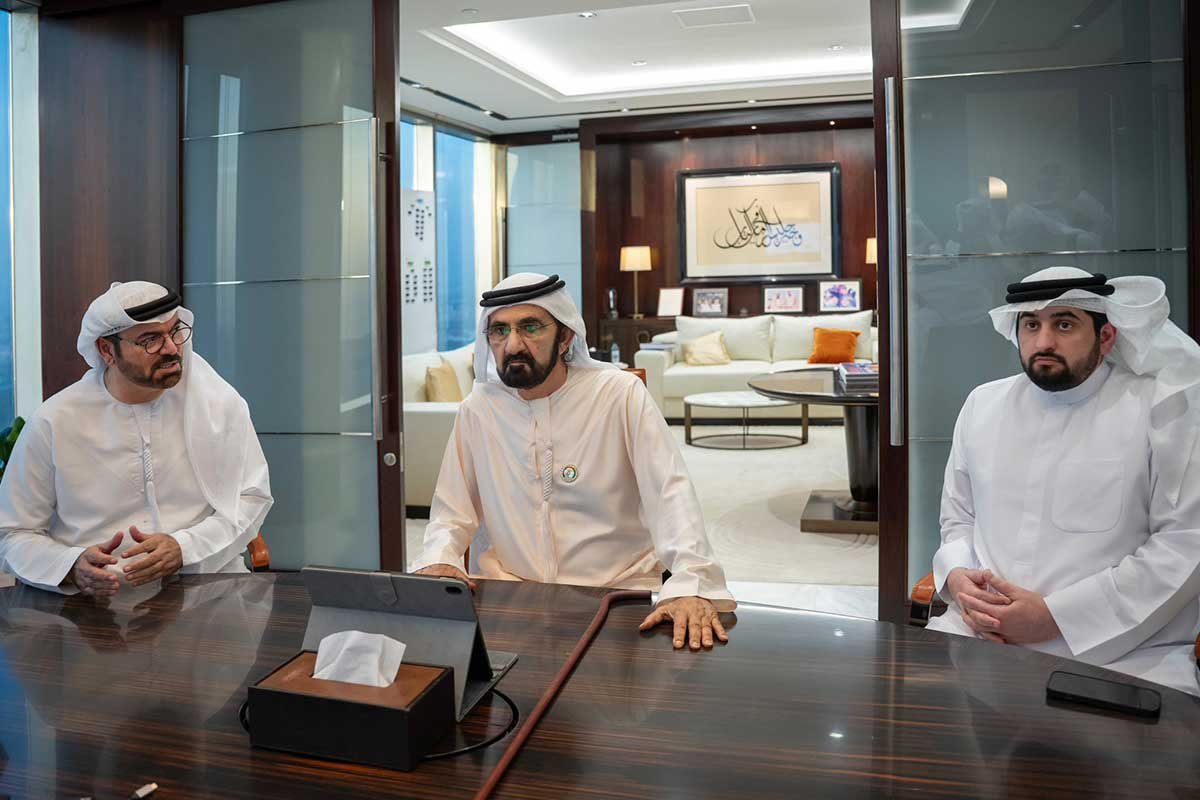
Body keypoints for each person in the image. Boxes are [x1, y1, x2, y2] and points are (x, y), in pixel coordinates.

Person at [412, 273, 736, 650]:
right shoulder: (479, 410)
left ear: (565, 336)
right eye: (499, 331)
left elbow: (670, 493)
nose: (512, 344)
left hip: (617, 594)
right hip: (511, 595)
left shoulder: (618, 395)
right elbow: (452, 511)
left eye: (530, 327)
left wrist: (690, 581)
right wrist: (440, 557)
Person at [928, 266, 1200, 694]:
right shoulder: (982, 405)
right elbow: (958, 518)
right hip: (979, 636)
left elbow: (1184, 543)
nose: (1044, 342)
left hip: (1123, 657)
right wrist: (958, 577)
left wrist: (1054, 618)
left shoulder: (1161, 409)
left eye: (1065, 324)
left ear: (1106, 336)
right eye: (1031, 325)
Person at [0, 281, 273, 596]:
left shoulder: (219, 405)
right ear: (106, 350)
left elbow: (252, 498)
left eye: (175, 332)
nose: (171, 349)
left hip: (208, 591)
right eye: (150, 340)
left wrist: (184, 547)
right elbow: (11, 534)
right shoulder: (54, 422)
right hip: (96, 607)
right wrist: (71, 566)